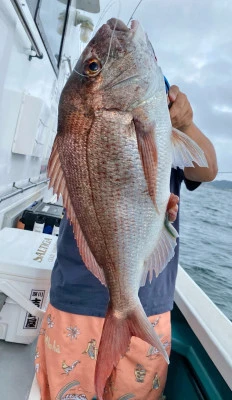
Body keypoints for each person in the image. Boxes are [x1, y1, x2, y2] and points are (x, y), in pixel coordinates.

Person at [35, 84, 218, 400]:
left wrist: (186, 124)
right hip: (75, 301)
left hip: (146, 307)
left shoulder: (166, 135)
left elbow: (208, 169)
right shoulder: (82, 121)